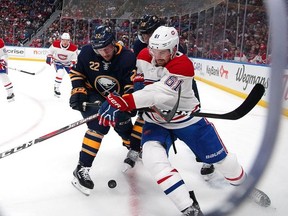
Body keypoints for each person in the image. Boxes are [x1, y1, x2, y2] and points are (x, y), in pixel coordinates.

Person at [97, 26, 271, 215]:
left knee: (223, 161)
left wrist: (127, 102)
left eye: (163, 51)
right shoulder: (144, 56)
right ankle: (188, 207)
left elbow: (160, 93)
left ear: (173, 49)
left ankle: (245, 186)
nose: (157, 55)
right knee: (152, 159)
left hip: (187, 121)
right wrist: (123, 100)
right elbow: (139, 85)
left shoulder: (183, 65)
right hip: (156, 122)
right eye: (154, 49)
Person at [130, 15, 214, 178]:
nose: (144, 38)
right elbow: (140, 71)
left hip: (178, 89)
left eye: (147, 34)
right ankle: (141, 148)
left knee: (192, 123)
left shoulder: (174, 47)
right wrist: (140, 92)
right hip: (153, 87)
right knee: (147, 117)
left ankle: (206, 157)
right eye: (143, 34)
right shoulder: (139, 46)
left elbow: (176, 78)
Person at [69, 26, 139, 195]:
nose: (104, 53)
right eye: (100, 50)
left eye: (107, 48)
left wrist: (128, 102)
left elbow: (131, 84)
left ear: (114, 43)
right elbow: (77, 72)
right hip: (93, 96)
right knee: (99, 126)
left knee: (123, 124)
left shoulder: (127, 57)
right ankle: (82, 168)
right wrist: (78, 90)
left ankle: (132, 145)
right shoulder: (86, 53)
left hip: (117, 98)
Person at [46, 32, 78, 97]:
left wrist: (73, 63)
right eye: (63, 40)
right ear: (61, 40)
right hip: (58, 61)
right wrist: (49, 57)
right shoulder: (55, 44)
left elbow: (75, 59)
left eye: (67, 40)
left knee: (74, 76)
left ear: (69, 41)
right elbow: (49, 51)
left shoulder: (73, 48)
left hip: (68, 63)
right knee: (60, 73)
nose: (65, 42)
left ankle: (77, 90)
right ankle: (56, 88)